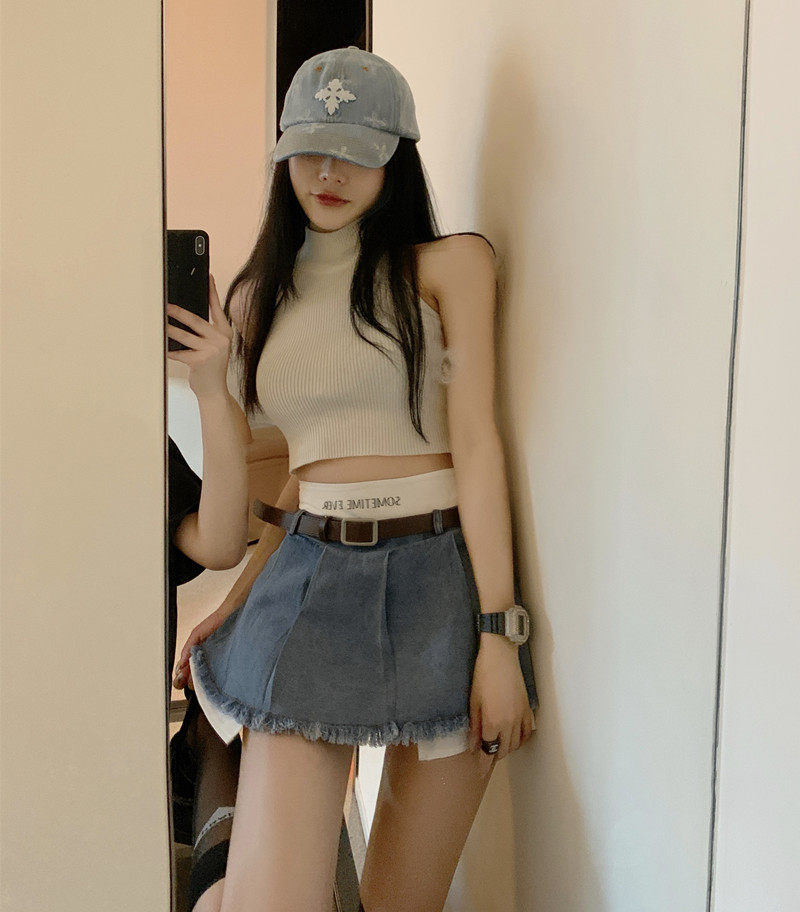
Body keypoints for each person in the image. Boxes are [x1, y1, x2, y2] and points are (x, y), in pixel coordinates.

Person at [171, 46, 539, 912]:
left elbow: (477, 444)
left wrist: (500, 634)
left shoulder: (450, 266)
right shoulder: (254, 299)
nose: (329, 173)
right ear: (282, 154)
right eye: (310, 149)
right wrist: (238, 602)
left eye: (356, 151)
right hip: (309, 583)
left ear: (396, 158)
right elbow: (302, 483)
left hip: (440, 583)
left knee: (403, 902)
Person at [165, 276, 251, 911]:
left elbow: (220, 542)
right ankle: (203, 737)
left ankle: (203, 736)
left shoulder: (122, 443)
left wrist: (212, 390)